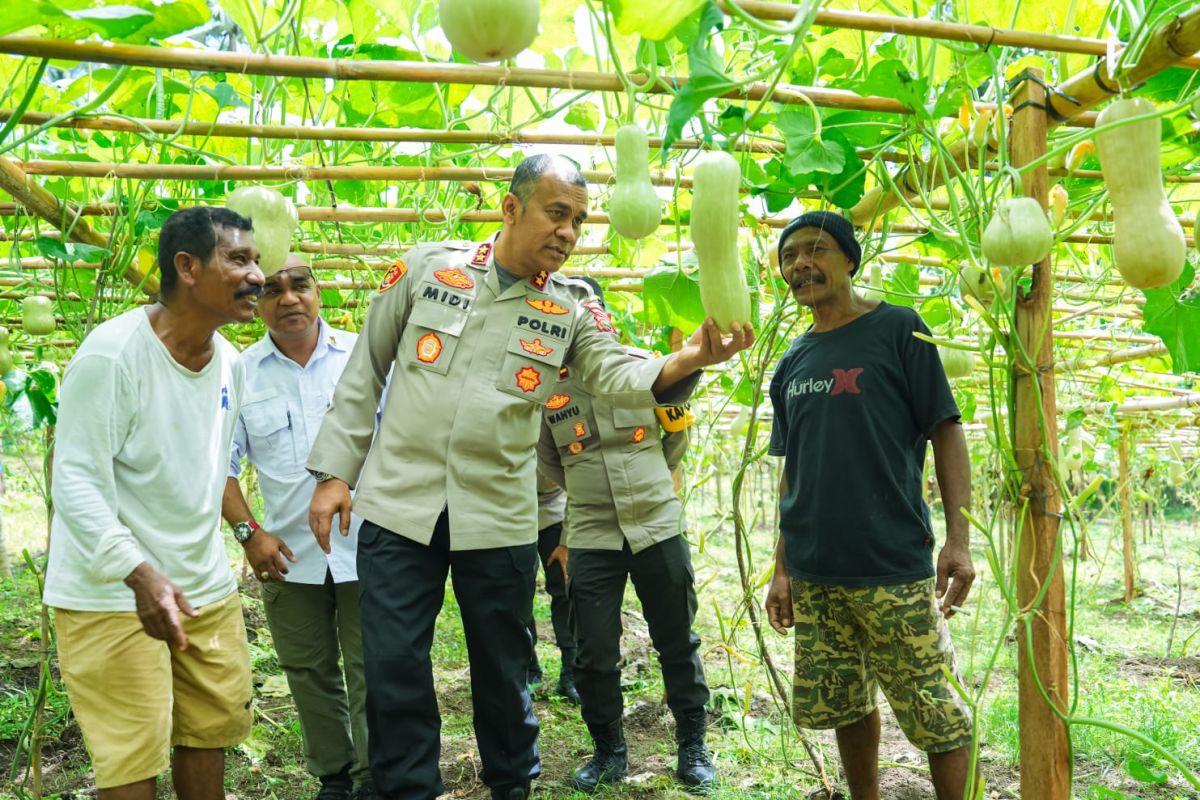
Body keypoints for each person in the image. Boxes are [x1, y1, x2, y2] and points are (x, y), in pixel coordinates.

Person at [305, 154, 753, 800]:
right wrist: (334, 473)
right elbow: (365, 371)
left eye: (578, 221)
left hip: (499, 519)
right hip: (400, 508)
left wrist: (688, 357)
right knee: (394, 666)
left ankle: (511, 787)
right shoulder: (430, 268)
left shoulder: (571, 310)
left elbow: (617, 373)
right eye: (557, 213)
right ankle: (406, 789)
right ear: (510, 208)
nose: (569, 233)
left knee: (504, 670)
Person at [43, 206, 264, 799]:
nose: (258, 275)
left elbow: (212, 469)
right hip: (111, 594)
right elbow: (76, 481)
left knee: (208, 733)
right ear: (187, 267)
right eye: (239, 259)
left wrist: (243, 537)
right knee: (131, 759)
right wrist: (140, 574)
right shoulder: (112, 355)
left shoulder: (230, 363)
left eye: (257, 260)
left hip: (203, 590)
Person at [762, 211, 976, 800]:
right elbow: (793, 475)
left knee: (937, 711)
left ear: (850, 260)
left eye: (818, 249)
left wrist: (958, 540)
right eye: (790, 256)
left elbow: (946, 431)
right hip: (815, 573)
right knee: (846, 704)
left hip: (892, 564)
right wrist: (782, 569)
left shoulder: (899, 329)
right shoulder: (792, 363)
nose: (802, 264)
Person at [536, 282, 715, 794]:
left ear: (602, 317)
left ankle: (693, 747)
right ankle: (609, 752)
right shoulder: (549, 387)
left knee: (677, 640)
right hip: (591, 533)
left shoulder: (647, 367)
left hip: (656, 526)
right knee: (593, 649)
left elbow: (675, 436)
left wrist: (646, 488)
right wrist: (595, 493)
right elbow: (550, 460)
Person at [221, 254, 372, 800]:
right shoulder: (238, 373)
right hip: (284, 552)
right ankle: (334, 775)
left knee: (371, 667)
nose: (288, 298)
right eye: (271, 290)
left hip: (370, 546)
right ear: (253, 303)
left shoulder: (363, 358)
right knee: (308, 671)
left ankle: (373, 778)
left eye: (299, 285)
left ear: (318, 293)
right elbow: (219, 465)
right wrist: (248, 533)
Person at [527, 474, 579, 703]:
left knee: (565, 586)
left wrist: (566, 539)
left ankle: (571, 673)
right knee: (516, 590)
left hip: (557, 508)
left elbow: (578, 478)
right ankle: (527, 670)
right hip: (509, 510)